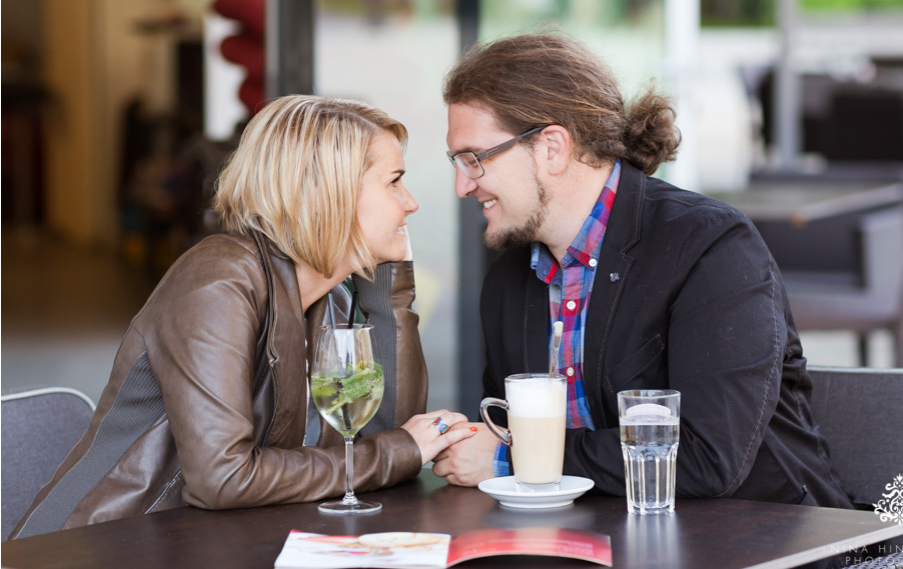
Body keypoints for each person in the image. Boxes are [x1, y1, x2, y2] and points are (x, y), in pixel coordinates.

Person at [12, 96, 473, 539]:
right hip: (96, 551)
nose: (410, 203)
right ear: (327, 194)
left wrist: (391, 294)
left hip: (206, 544)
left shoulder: (331, 301)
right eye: (393, 182)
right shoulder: (217, 281)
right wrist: (399, 451)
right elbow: (224, 478)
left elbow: (384, 438)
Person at [432, 33, 853, 510]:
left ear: (551, 146)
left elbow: (709, 459)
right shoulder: (511, 272)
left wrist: (517, 455)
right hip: (592, 543)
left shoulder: (709, 245)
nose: (462, 185)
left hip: (763, 541)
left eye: (475, 159)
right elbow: (501, 430)